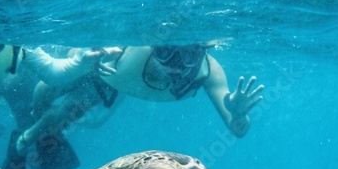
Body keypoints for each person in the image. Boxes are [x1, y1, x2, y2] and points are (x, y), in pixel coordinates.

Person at [96, 45, 264, 138]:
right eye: (166, 51)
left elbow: (237, 129)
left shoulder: (209, 71)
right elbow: (73, 52)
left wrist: (238, 116)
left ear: (200, 54)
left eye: (189, 55)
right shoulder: (125, 48)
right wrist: (89, 58)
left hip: (123, 80)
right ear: (154, 46)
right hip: (100, 78)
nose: (175, 64)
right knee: (71, 109)